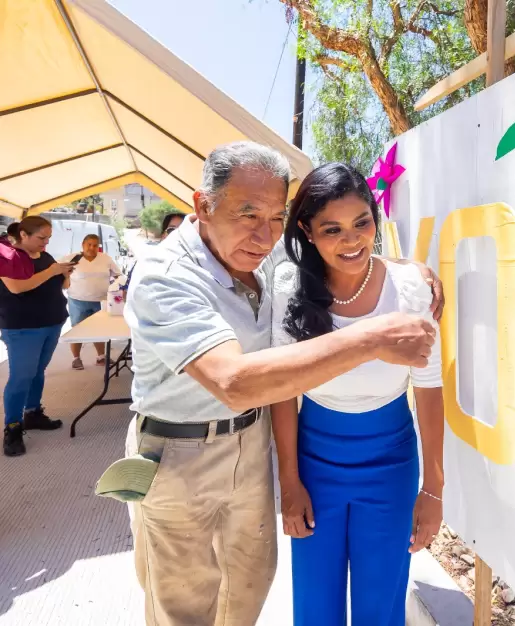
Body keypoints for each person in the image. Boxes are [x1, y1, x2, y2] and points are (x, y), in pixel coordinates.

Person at [121, 141, 444, 626]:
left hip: (253, 448)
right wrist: (373, 337)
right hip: (179, 455)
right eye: (247, 212)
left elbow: (339, 258)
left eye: (275, 217)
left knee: (246, 589)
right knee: (183, 604)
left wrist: (405, 270)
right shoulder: (165, 277)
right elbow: (233, 382)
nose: (263, 233)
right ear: (202, 206)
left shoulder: (263, 261)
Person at [270, 163, 445, 626]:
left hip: (391, 461)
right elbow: (283, 392)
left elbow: (428, 388)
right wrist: (289, 482)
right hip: (313, 460)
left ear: (375, 217)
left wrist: (434, 489)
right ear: (307, 231)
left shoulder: (410, 288)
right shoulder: (290, 286)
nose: (351, 241)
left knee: (381, 601)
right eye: (332, 229)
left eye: (362, 223)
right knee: (315, 601)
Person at [1, 216, 75, 456]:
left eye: (49, 238)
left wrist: (64, 273)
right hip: (22, 327)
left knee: (37, 372)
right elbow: (18, 287)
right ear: (23, 235)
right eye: (41, 238)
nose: (46, 243)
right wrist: (53, 269)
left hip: (52, 323)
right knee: (21, 376)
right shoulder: (8, 257)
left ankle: (32, 413)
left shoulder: (46, 257)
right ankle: (12, 426)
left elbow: (61, 286)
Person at [65, 234, 122, 369]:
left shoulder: (105, 258)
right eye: (89, 244)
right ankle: (76, 358)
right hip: (78, 300)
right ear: (82, 245)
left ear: (98, 247)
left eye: (95, 245)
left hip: (101, 300)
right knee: (77, 329)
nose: (92, 248)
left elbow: (118, 275)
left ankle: (101, 357)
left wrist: (118, 285)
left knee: (100, 329)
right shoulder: (72, 258)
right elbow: (57, 271)